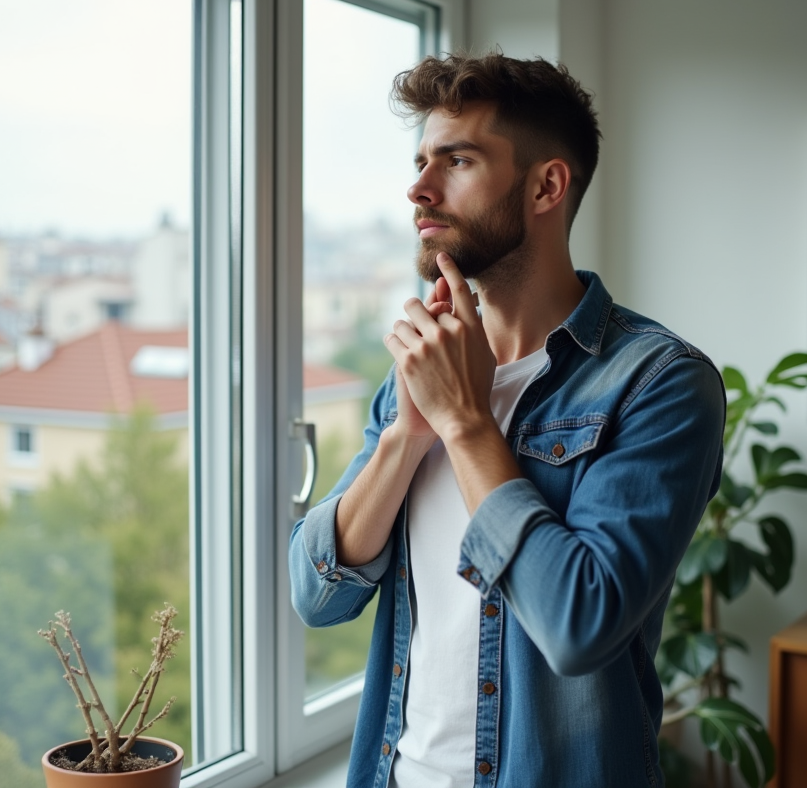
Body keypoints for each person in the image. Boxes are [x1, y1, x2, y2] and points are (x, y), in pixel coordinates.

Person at [289, 52, 725, 788]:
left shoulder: (660, 383)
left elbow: (578, 623)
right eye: (422, 160)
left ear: (547, 184)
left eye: (456, 160)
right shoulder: (426, 370)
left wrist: (465, 425)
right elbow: (317, 593)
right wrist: (409, 434)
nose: (418, 188)